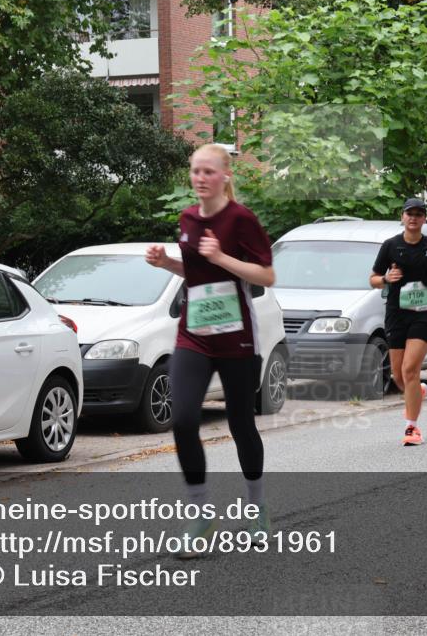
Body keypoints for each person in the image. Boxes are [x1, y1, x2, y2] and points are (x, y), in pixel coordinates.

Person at [145, 143, 275, 557]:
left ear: (225, 176)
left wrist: (223, 257)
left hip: (237, 335)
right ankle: (200, 516)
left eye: (208, 172)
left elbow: (266, 275)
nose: (200, 178)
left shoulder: (241, 219)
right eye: (195, 171)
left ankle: (256, 508)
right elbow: (196, 270)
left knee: (240, 423)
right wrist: (168, 263)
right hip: (194, 333)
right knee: (183, 419)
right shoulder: (186, 219)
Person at [370, 198, 427, 445]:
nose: (414, 218)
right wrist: (386, 278)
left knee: (410, 369)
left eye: (419, 214)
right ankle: (416, 392)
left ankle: (412, 428)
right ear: (403, 217)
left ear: (424, 219)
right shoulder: (390, 246)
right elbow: (373, 279)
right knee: (398, 375)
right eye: (410, 214)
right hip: (397, 312)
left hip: (425, 312)